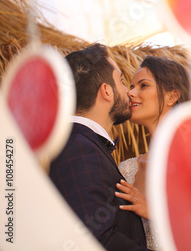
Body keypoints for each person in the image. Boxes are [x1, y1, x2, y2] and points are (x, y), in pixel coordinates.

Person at [49, 43, 150, 250]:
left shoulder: (81, 143)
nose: (128, 92)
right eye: (121, 82)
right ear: (106, 91)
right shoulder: (79, 148)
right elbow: (96, 239)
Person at [116, 56, 190, 250]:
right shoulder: (127, 169)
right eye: (131, 86)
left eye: (143, 85)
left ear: (172, 96)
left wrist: (156, 213)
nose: (131, 93)